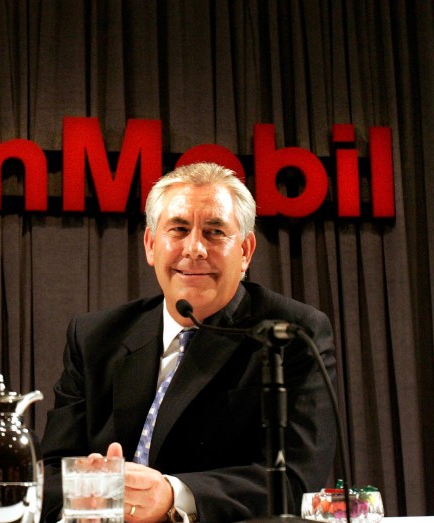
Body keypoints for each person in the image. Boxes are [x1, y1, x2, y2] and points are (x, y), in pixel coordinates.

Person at [40, 162, 337, 522]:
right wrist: (91, 494)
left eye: (215, 232)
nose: (194, 249)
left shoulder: (291, 333)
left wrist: (173, 494)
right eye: (178, 230)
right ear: (151, 245)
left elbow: (295, 478)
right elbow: (51, 475)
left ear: (245, 251)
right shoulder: (94, 336)